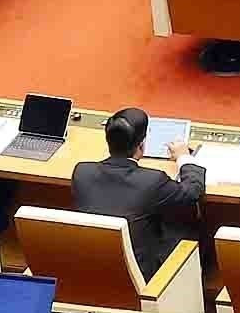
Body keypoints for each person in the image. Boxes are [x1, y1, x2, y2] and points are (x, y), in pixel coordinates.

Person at [70, 106, 208, 275]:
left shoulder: (82, 172)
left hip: (91, 273)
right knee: (187, 220)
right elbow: (192, 191)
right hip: (143, 280)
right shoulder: (152, 181)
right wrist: (184, 157)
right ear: (141, 145)